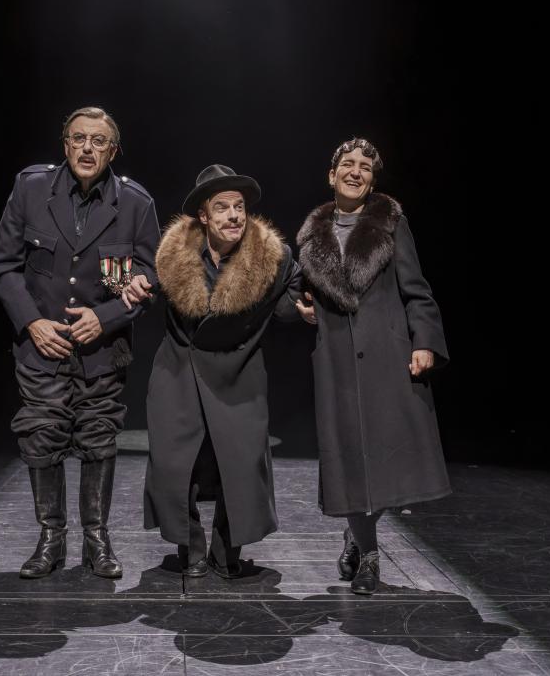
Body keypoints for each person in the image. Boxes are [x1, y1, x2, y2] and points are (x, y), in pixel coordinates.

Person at [0, 106, 160, 579]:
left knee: (98, 438)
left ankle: (96, 539)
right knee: (41, 435)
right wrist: (32, 323)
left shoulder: (136, 203)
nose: (87, 148)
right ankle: (51, 538)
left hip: (102, 350)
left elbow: (150, 276)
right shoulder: (31, 188)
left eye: (98, 141)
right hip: (41, 345)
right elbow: (4, 267)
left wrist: (105, 318)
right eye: (79, 138)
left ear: (114, 151)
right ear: (65, 144)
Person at [129, 164, 301, 578]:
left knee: (239, 465)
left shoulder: (272, 257)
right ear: (204, 216)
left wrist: (299, 308)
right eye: (222, 207)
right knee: (176, 465)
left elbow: (293, 292)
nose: (234, 216)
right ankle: (189, 546)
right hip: (179, 367)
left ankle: (227, 551)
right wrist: (132, 284)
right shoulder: (173, 255)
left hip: (238, 369)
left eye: (239, 207)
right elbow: (142, 283)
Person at [295, 137, 450, 595]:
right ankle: (369, 554)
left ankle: (357, 535)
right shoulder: (311, 237)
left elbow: (416, 289)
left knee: (390, 460)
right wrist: (301, 308)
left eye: (365, 167)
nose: (355, 171)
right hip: (337, 364)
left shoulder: (390, 224)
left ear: (372, 180)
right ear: (332, 175)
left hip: (387, 357)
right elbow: (294, 292)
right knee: (348, 462)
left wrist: (425, 341)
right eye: (348, 164)